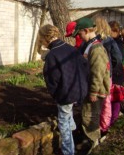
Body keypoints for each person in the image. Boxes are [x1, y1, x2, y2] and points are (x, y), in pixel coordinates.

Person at [39, 24, 89, 155]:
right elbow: (84, 67)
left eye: (41, 39)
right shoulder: (70, 49)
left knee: (63, 122)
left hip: (66, 94)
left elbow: (52, 80)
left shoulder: (52, 55)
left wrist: (57, 96)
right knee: (68, 115)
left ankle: (68, 151)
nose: (41, 42)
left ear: (46, 38)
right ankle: (74, 135)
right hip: (78, 90)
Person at [72, 17, 111, 153]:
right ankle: (88, 140)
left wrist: (94, 91)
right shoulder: (91, 45)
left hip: (95, 91)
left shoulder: (96, 48)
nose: (79, 37)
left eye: (80, 34)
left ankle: (92, 143)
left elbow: (98, 72)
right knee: (87, 114)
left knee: (90, 117)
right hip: (89, 88)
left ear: (86, 30)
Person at [94, 16, 122, 133]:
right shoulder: (109, 40)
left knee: (94, 101)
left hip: (94, 74)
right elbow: (118, 58)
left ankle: (94, 126)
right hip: (106, 75)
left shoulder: (93, 41)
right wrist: (111, 69)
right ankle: (104, 127)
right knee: (106, 102)